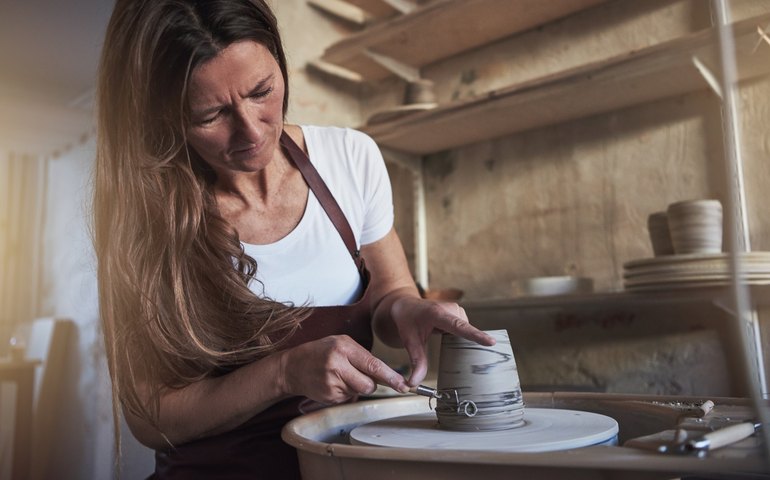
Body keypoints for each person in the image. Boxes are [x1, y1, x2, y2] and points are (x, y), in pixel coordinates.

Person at [93, 0, 494, 478]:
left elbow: (391, 292)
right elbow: (149, 418)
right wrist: (284, 373)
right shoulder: (143, 215)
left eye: (262, 90)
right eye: (211, 115)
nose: (251, 130)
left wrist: (410, 310)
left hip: (340, 467)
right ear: (162, 117)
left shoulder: (350, 158)